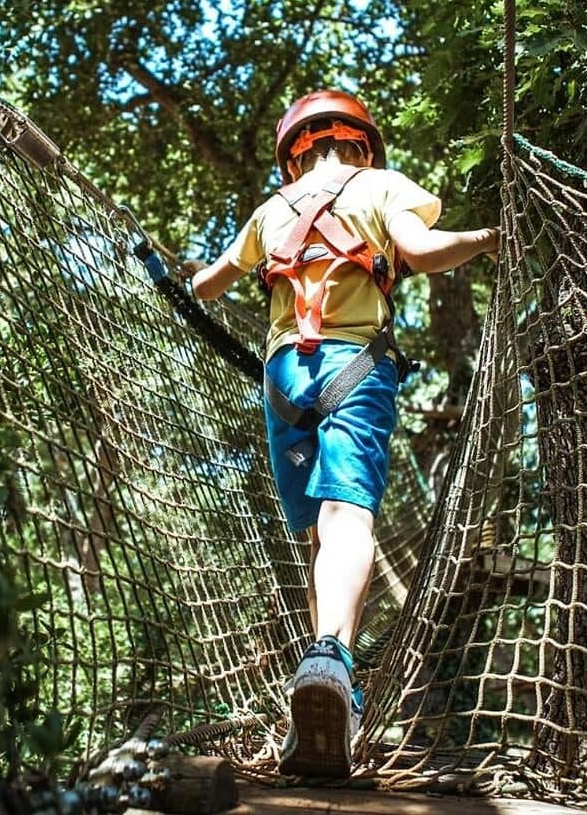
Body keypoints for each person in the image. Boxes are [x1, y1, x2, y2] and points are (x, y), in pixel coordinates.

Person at [183, 90, 499, 779]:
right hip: (356, 367)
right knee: (347, 515)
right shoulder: (381, 185)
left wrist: (177, 272)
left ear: (294, 157)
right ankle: (330, 656)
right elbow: (424, 248)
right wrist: (489, 239)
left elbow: (208, 287)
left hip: (282, 384)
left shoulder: (270, 211)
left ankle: (330, 689)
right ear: (360, 146)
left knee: (318, 536)